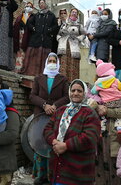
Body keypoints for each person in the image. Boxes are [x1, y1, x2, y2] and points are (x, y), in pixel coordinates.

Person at [43, 79, 101, 185]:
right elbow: (47, 129)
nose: (75, 93)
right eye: (73, 90)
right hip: (57, 169)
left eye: (79, 91)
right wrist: (54, 141)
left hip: (77, 172)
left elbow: (90, 137)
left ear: (84, 93)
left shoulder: (90, 113)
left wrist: (66, 145)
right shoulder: (61, 110)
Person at [29, 52, 70, 184]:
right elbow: (32, 96)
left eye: (54, 61)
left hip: (56, 116)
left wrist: (54, 106)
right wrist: (44, 105)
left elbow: (66, 96)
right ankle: (40, 175)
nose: (52, 63)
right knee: (39, 143)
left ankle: (53, 175)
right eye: (50, 61)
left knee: (52, 143)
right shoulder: (38, 78)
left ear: (57, 63)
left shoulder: (63, 79)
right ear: (46, 63)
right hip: (40, 117)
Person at [90, 86, 121, 185]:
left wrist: (108, 111)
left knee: (116, 167)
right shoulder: (95, 91)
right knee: (99, 168)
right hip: (99, 136)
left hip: (115, 137)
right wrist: (96, 107)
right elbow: (88, 109)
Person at [91, 60, 121, 140]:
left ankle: (102, 129)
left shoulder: (98, 83)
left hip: (106, 103)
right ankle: (119, 128)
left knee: (103, 116)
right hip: (118, 101)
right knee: (118, 116)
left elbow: (93, 91)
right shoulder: (115, 80)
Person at [21, 0, 58, 76]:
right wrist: (33, 28)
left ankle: (43, 74)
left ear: (45, 4)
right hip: (35, 40)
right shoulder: (36, 15)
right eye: (40, 3)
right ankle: (31, 73)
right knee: (33, 57)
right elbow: (29, 23)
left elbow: (55, 26)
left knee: (44, 58)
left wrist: (50, 30)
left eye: (42, 3)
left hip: (46, 41)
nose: (41, 4)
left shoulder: (51, 15)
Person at [57, 8, 86, 82]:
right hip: (64, 46)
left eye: (75, 12)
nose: (74, 13)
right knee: (63, 64)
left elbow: (83, 34)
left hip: (74, 47)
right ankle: (62, 83)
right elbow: (58, 34)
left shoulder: (79, 25)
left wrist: (78, 39)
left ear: (77, 15)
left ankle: (72, 83)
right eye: (72, 12)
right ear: (70, 13)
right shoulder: (64, 24)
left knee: (73, 64)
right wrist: (60, 39)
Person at [13, 2, 33, 73]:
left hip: (27, 38)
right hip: (19, 37)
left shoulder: (33, 17)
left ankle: (23, 70)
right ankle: (16, 69)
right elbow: (15, 25)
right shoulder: (20, 16)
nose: (28, 8)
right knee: (18, 54)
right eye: (27, 6)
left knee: (24, 55)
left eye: (30, 6)